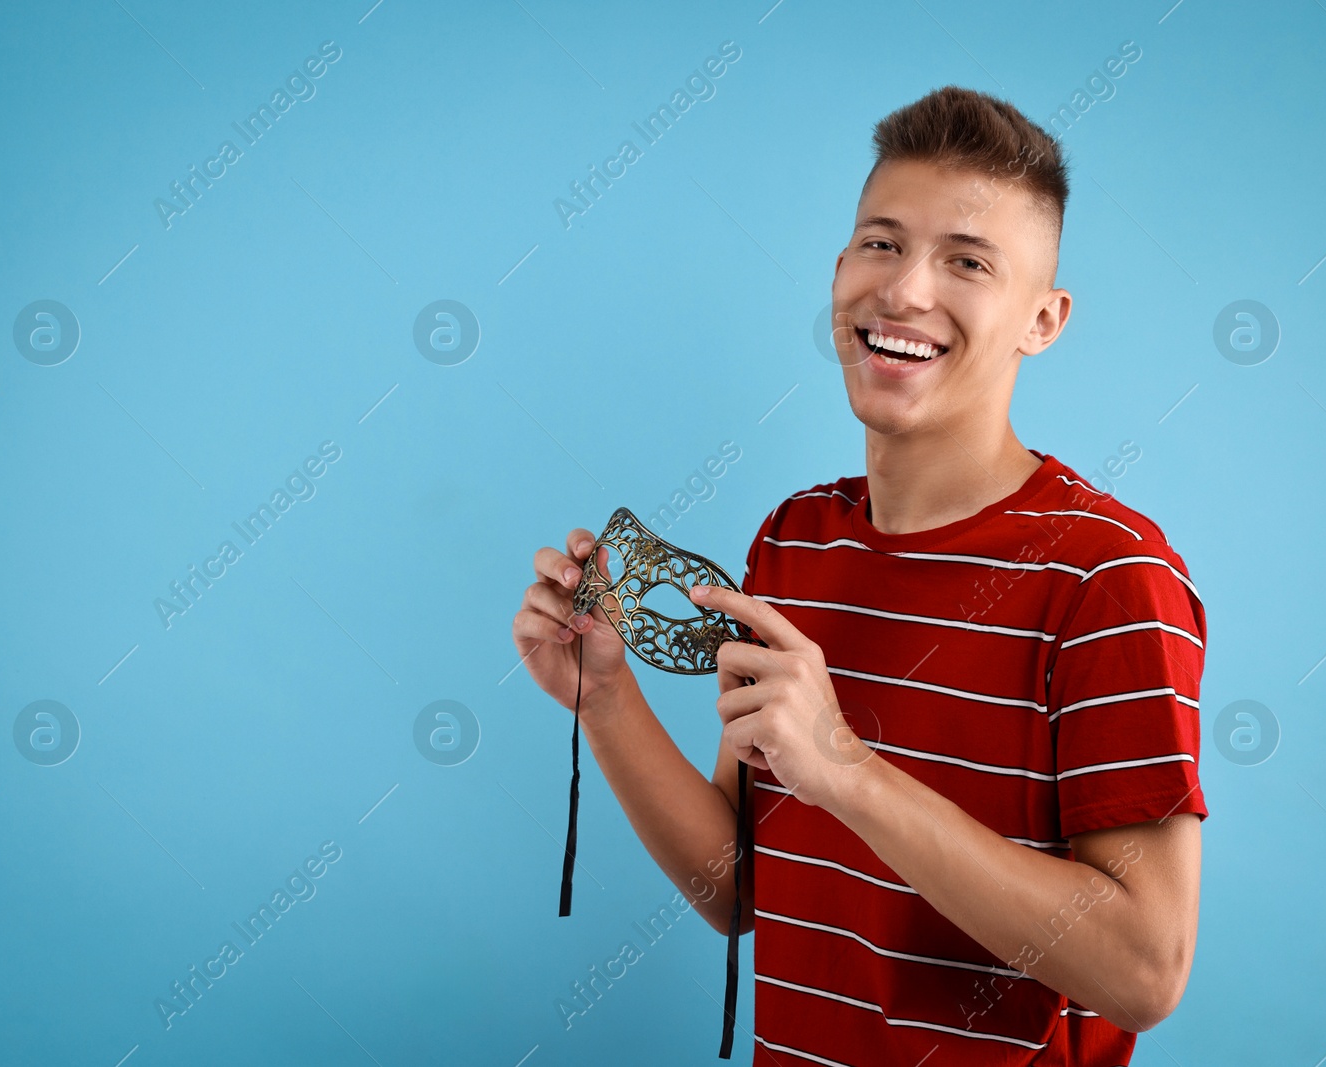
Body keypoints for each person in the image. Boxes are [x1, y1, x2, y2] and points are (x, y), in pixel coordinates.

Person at [512, 84, 1207, 1066]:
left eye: (967, 261)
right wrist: (608, 697)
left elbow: (1145, 970)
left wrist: (845, 768)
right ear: (839, 270)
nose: (906, 290)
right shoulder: (794, 541)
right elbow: (739, 884)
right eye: (881, 243)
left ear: (1040, 319)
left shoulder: (1108, 576)